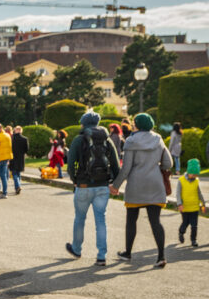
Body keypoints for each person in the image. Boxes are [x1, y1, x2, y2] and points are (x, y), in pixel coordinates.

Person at [111, 113, 172, 268]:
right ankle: (161, 256)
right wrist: (156, 168)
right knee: (155, 221)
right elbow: (168, 162)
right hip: (155, 184)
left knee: (131, 220)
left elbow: (126, 168)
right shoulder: (158, 139)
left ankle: (127, 252)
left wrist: (115, 185)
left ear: (137, 125)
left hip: (136, 185)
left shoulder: (131, 141)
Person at [65, 112, 120, 266]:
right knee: (100, 221)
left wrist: (75, 180)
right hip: (102, 186)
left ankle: (76, 249)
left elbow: (70, 165)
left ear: (84, 123)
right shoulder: (107, 140)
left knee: (80, 219)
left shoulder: (79, 140)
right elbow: (116, 165)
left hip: (83, 186)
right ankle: (101, 255)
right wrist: (114, 184)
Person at [177, 158, 205, 247]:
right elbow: (178, 194)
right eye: (194, 174)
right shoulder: (181, 180)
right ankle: (181, 232)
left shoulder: (196, 181)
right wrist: (179, 204)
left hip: (194, 207)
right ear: (189, 172)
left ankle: (193, 240)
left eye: (196, 174)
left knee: (194, 225)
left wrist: (203, 203)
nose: (195, 176)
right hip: (185, 207)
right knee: (185, 223)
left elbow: (199, 193)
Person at [10, 126, 29, 195]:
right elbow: (26, 149)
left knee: (14, 173)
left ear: (15, 130)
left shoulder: (11, 138)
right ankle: (18, 185)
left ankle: (17, 186)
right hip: (21, 157)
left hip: (12, 157)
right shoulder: (24, 139)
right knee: (18, 173)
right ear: (21, 131)